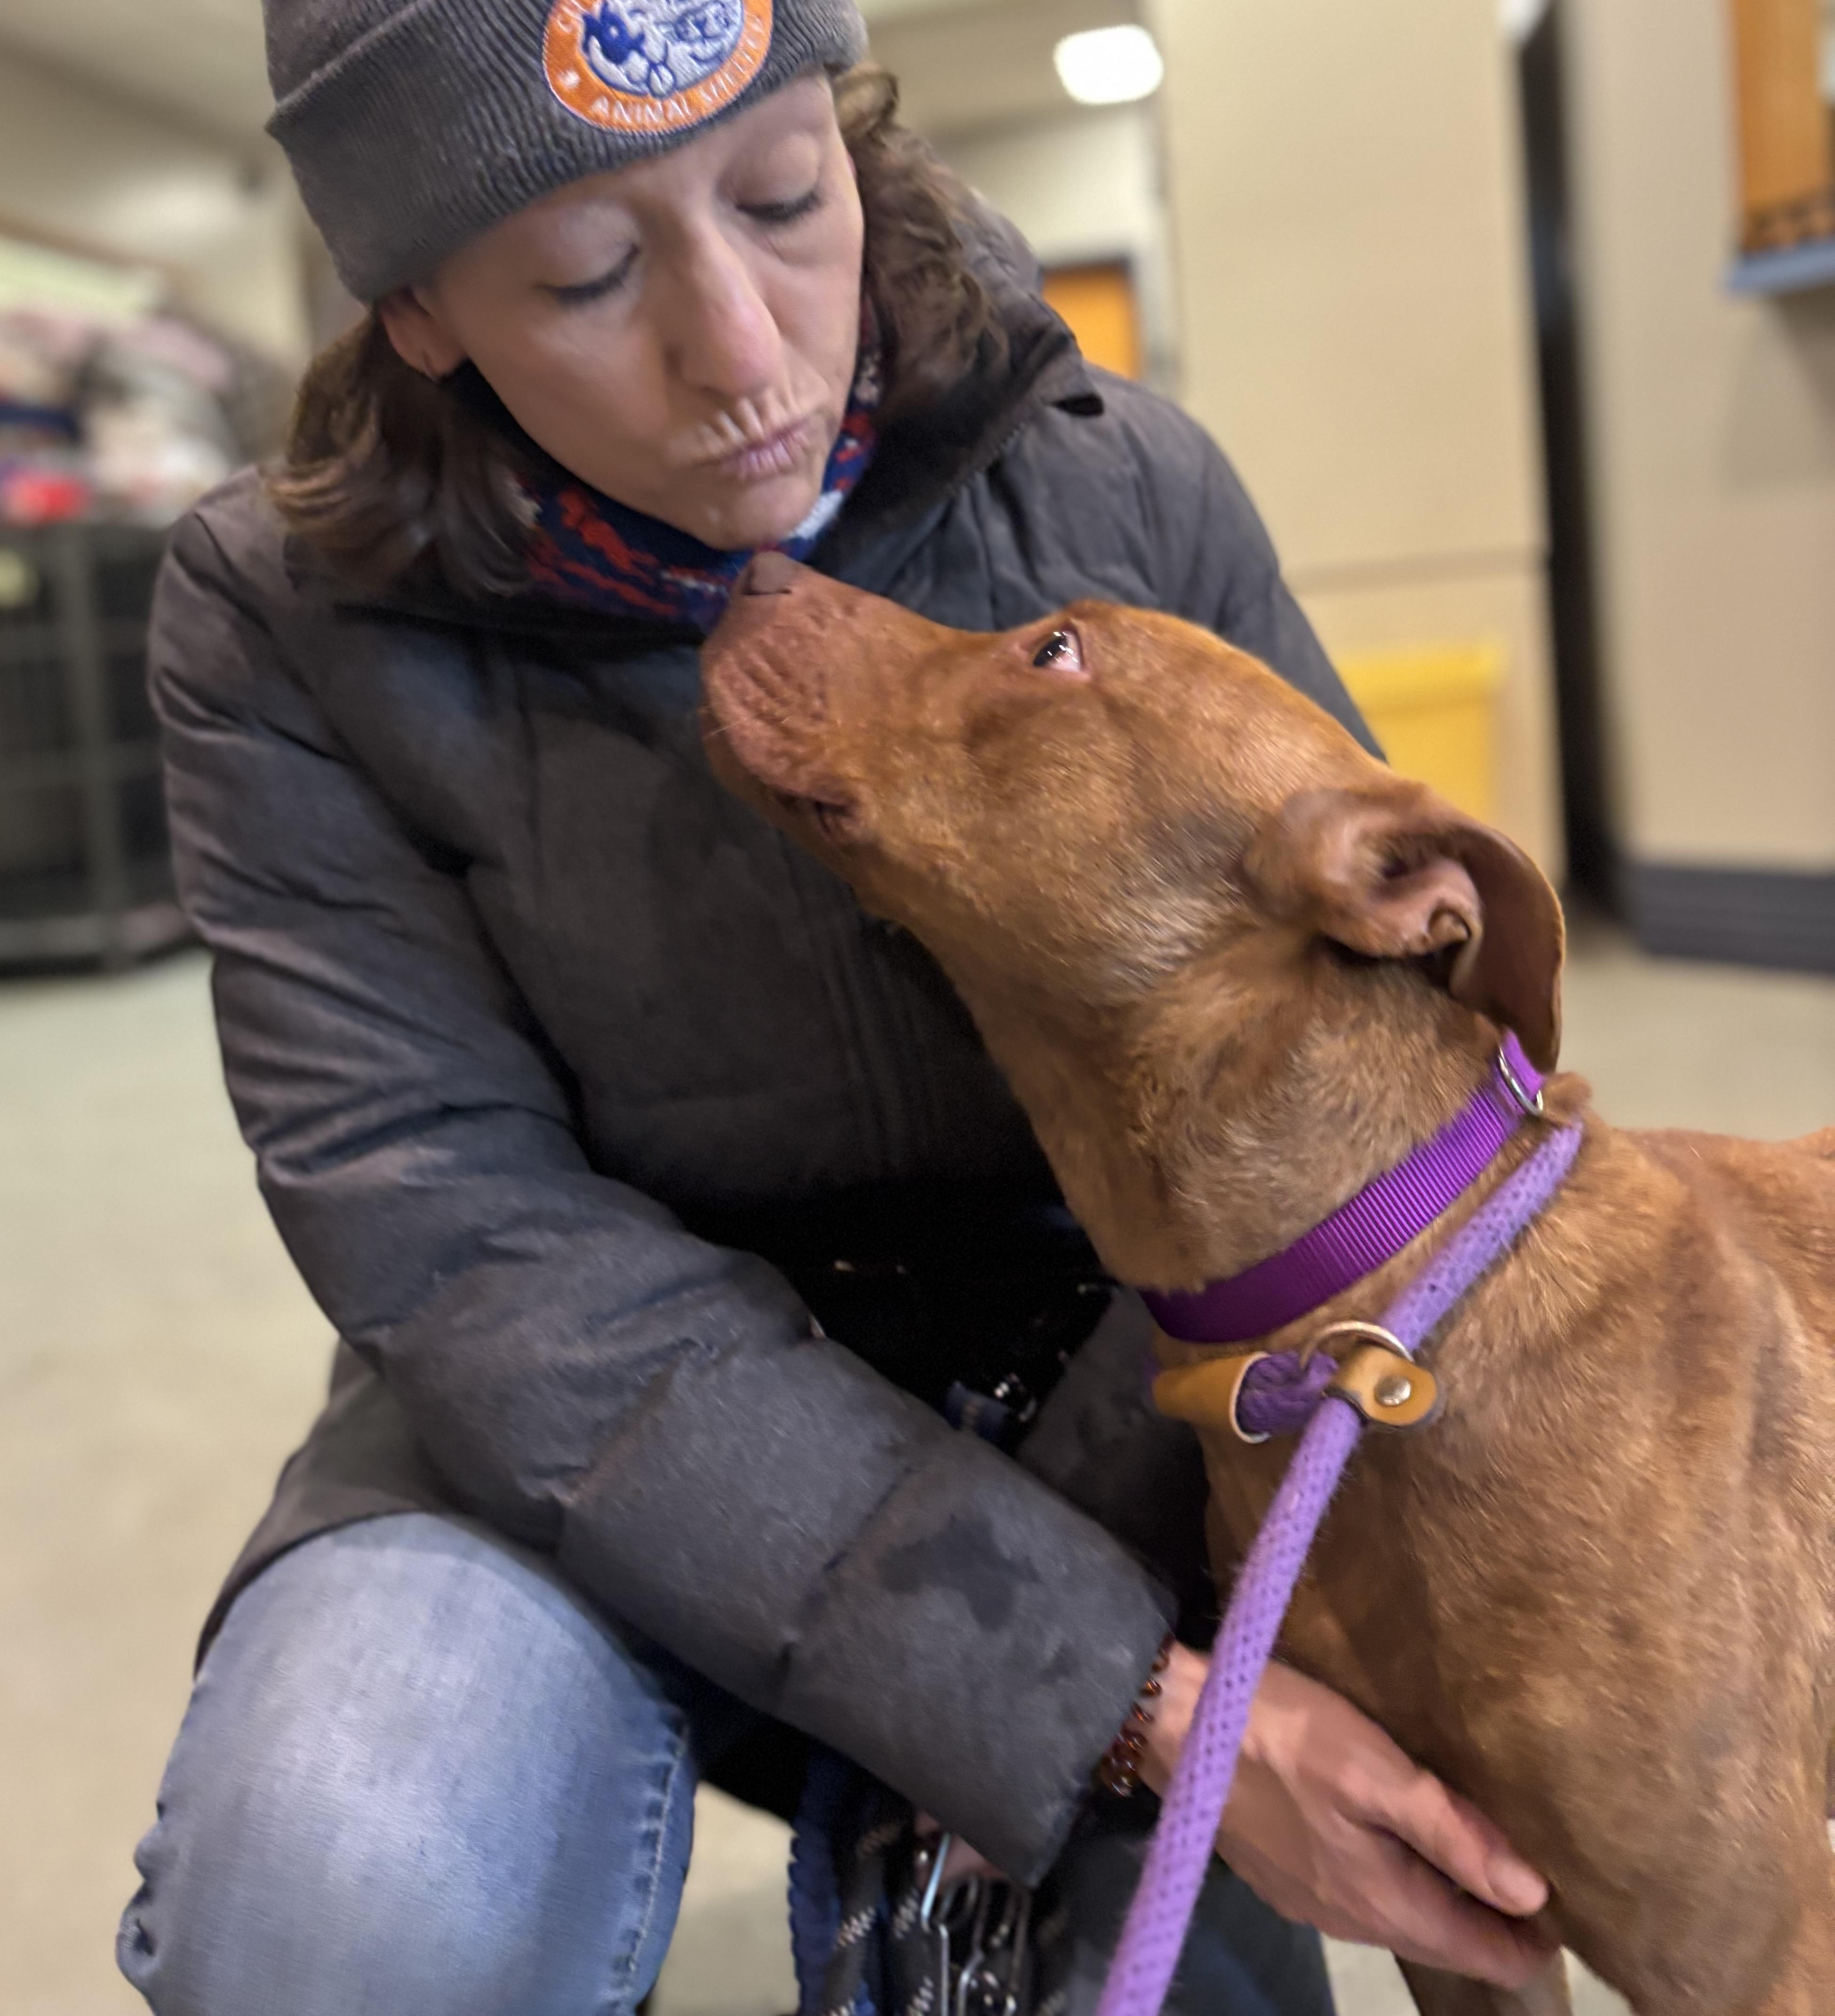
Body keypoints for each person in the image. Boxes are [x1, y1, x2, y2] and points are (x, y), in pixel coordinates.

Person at [116, 3, 1558, 2011]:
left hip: (1130, 1402)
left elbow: (1359, 1107)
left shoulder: (1123, 488)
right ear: (420, 309)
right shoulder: (274, 629)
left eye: (789, 201)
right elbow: (462, 1242)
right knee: (338, 1889)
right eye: (590, 275)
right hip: (593, 1434)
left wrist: (1169, 1628)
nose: (746, 353)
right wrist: (1113, 1708)